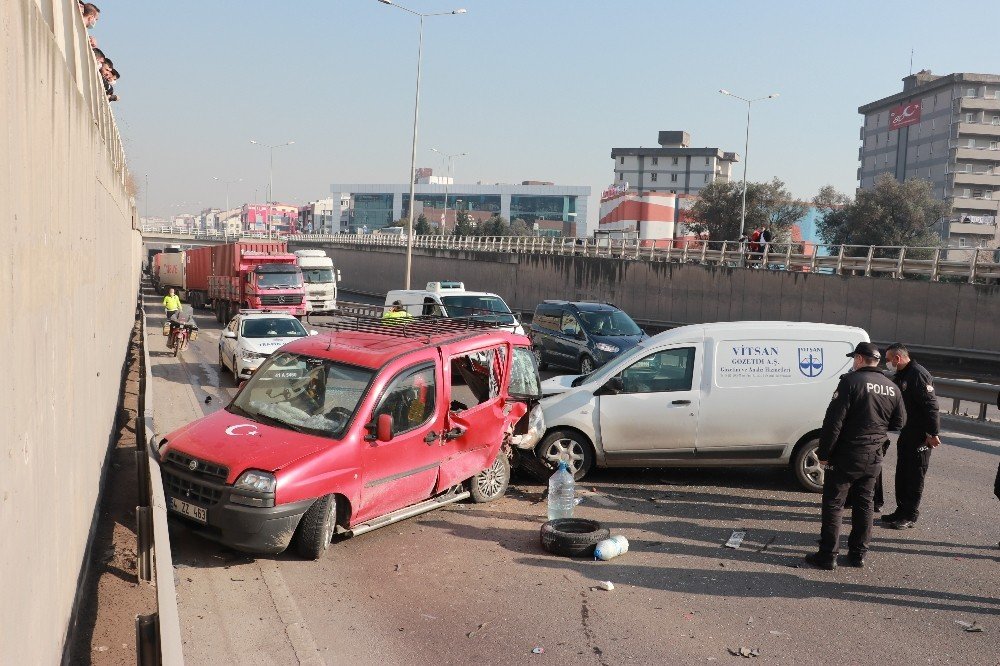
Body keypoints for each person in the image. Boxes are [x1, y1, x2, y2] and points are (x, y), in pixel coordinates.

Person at [804, 342, 906, 570]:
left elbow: (833, 422)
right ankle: (858, 554)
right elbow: (899, 422)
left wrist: (824, 453)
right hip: (873, 455)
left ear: (859, 359)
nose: (852, 363)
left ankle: (827, 555)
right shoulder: (892, 387)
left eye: (854, 359)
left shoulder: (850, 382)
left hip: (846, 454)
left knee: (834, 504)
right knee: (864, 504)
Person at [878, 343, 941, 530]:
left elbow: (931, 407)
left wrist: (932, 433)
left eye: (888, 360)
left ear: (897, 358)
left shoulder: (918, 374)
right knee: (903, 473)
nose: (887, 363)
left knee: (915, 475)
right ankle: (901, 510)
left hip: (921, 434)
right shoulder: (903, 374)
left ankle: (910, 514)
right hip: (908, 431)